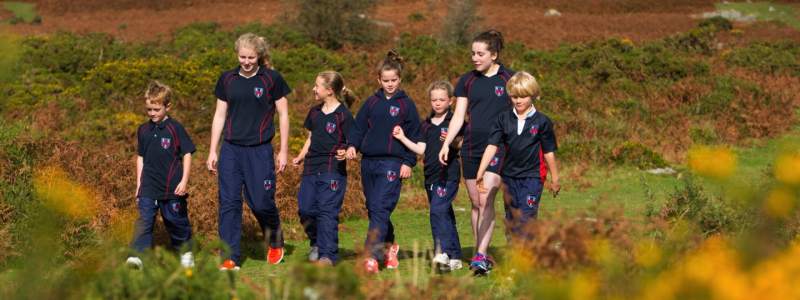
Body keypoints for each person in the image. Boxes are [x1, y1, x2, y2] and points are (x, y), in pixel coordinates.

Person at [207, 33, 291, 270]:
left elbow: (283, 114)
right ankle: (230, 256)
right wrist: (213, 150)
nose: (246, 61)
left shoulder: (272, 79)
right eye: (242, 57)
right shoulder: (227, 79)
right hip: (231, 150)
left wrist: (283, 151)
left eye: (251, 57)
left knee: (261, 202)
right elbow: (219, 115)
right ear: (237, 55)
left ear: (259, 56)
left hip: (260, 151)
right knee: (229, 203)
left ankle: (275, 242)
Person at [437, 30, 514, 275]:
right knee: (474, 203)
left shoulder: (509, 79)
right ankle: (481, 253)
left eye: (480, 54)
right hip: (470, 147)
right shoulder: (466, 81)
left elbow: (522, 109)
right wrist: (446, 143)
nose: (475, 58)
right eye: (472, 53)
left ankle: (480, 255)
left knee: (485, 199)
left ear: (494, 54)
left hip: (499, 148)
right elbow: (459, 116)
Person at [346, 50, 421, 274]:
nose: (390, 84)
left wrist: (408, 162)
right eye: (386, 80)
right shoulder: (371, 103)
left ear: (400, 79)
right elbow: (358, 128)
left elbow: (415, 135)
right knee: (374, 209)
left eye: (394, 80)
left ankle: (372, 257)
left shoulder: (407, 105)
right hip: (368, 162)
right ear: (379, 80)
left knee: (380, 208)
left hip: (393, 164)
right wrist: (352, 146)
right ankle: (390, 247)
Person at [475, 71, 561, 241]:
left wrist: (555, 178)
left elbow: (548, 152)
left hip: (533, 176)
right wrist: (481, 172)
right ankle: (515, 256)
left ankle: (526, 257)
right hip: (509, 177)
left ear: (533, 95)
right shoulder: (503, 119)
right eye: (514, 96)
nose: (518, 100)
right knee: (512, 218)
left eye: (523, 96)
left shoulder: (543, 122)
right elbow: (492, 146)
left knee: (526, 217)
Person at [392, 80, 463, 271]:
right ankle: (456, 255)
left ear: (450, 101)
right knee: (445, 213)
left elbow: (462, 144)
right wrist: (402, 138)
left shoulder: (455, 122)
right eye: (434, 100)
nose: (438, 103)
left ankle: (443, 252)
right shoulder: (426, 125)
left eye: (442, 100)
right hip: (430, 176)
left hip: (448, 174)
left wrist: (452, 141)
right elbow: (420, 149)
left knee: (437, 211)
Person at [127, 81, 195, 270]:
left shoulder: (176, 128)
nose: (152, 113)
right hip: (148, 185)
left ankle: (186, 253)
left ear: (167, 107)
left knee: (175, 220)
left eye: (156, 109)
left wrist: (184, 181)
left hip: (172, 186)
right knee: (145, 219)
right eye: (149, 109)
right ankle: (137, 257)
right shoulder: (143, 130)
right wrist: (139, 185)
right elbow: (140, 157)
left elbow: (187, 154)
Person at [292, 71, 356, 266]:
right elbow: (310, 139)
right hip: (311, 168)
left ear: (329, 91)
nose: (313, 89)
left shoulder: (344, 115)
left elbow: (352, 142)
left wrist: (346, 151)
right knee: (305, 209)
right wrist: (300, 157)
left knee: (327, 212)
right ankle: (317, 243)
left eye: (316, 85)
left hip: (332, 170)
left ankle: (328, 255)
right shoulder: (314, 112)